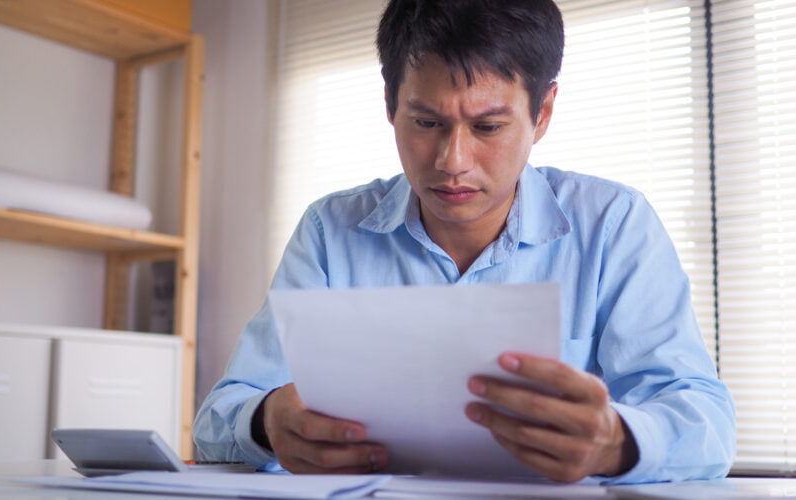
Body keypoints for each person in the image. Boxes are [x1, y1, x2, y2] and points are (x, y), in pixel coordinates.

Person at [194, 0, 735, 484]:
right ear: (390, 104)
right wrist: (266, 422)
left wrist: (616, 442)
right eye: (426, 121)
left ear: (541, 113)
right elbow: (220, 417)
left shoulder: (614, 225)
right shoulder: (330, 230)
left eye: (489, 127)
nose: (451, 162)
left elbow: (705, 420)